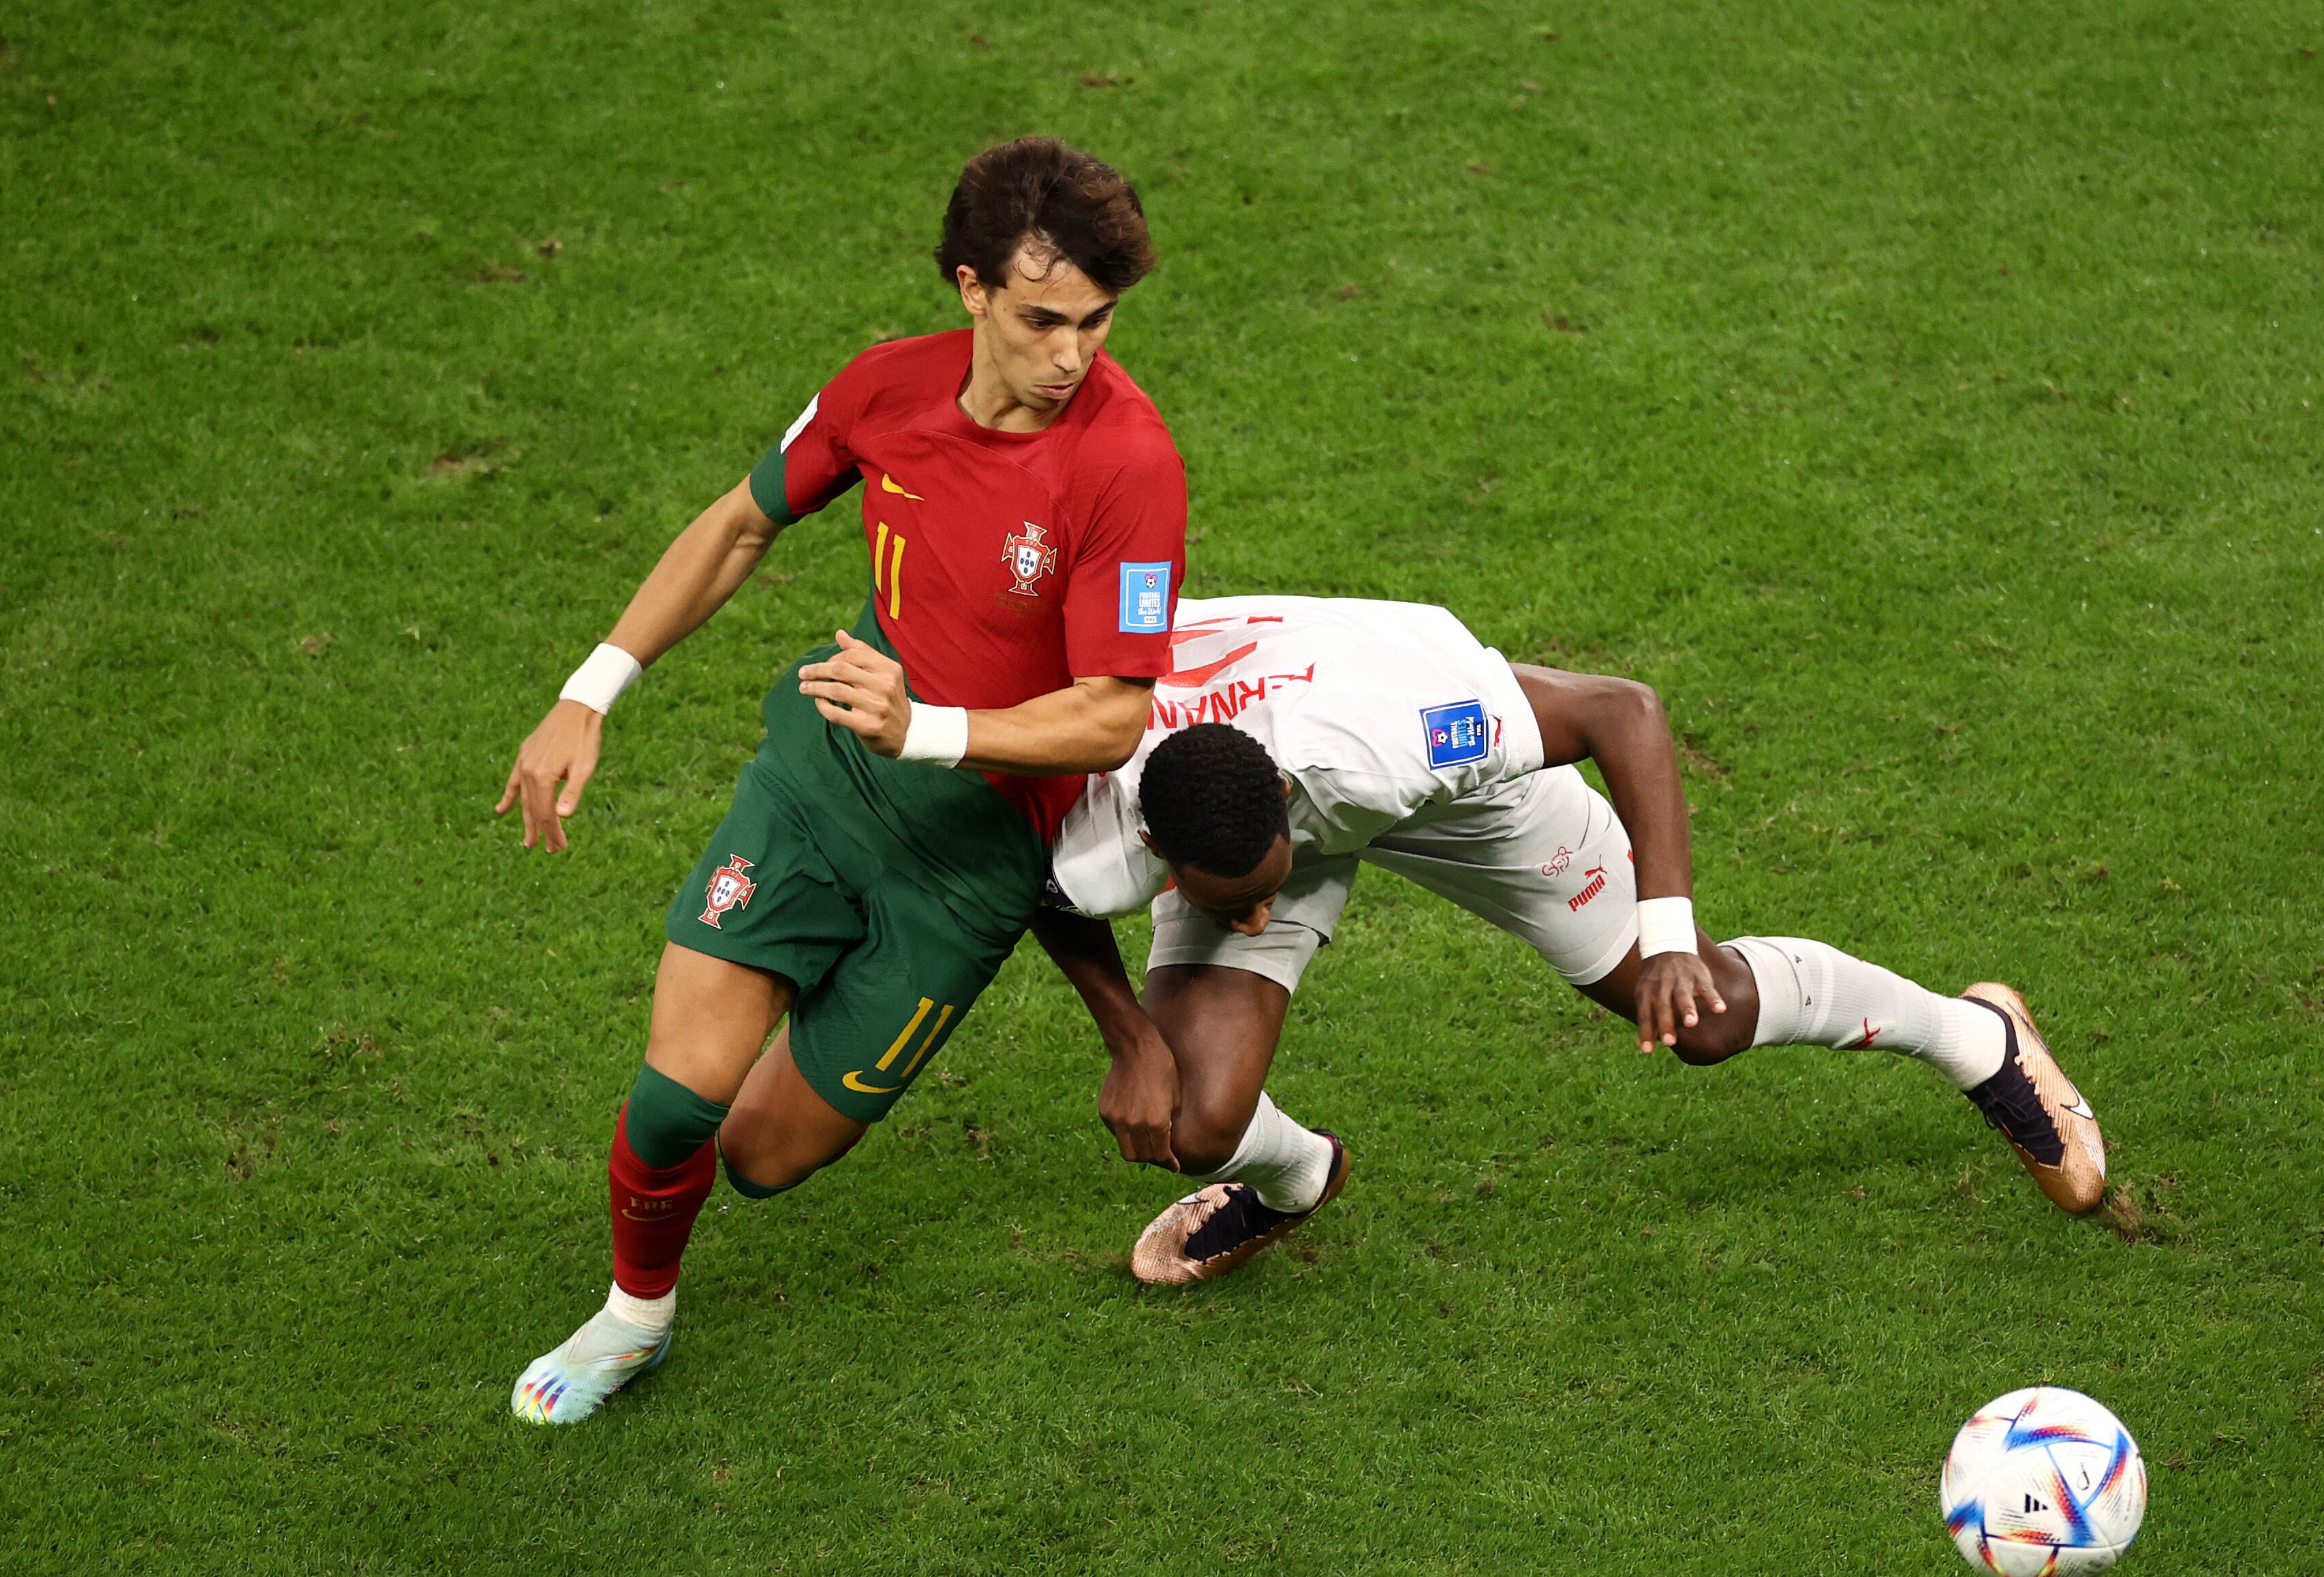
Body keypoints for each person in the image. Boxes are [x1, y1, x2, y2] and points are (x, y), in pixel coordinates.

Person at [499, 138, 1188, 1423]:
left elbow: (1112, 714)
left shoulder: (1128, 465)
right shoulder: (884, 391)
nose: (1074, 356)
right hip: (824, 779)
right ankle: (633, 1319)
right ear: (972, 290)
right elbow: (742, 522)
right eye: (1043, 321)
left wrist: (926, 730)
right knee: (674, 1105)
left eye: (1098, 322)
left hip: (972, 861)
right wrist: (588, 690)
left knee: (759, 1157)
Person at [1030, 595, 2106, 1284]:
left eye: (1268, 897)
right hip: (1226, 796)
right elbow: (1024, 889)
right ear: (1156, 856)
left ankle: (1978, 1038)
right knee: (1185, 1113)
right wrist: (1130, 1036)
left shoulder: (1408, 731)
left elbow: (1623, 712)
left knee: (1707, 1025)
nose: (1262, 924)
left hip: (1448, 797)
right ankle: (1299, 1179)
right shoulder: (1098, 798)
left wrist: (1671, 933)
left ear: (1290, 810)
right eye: (1234, 909)